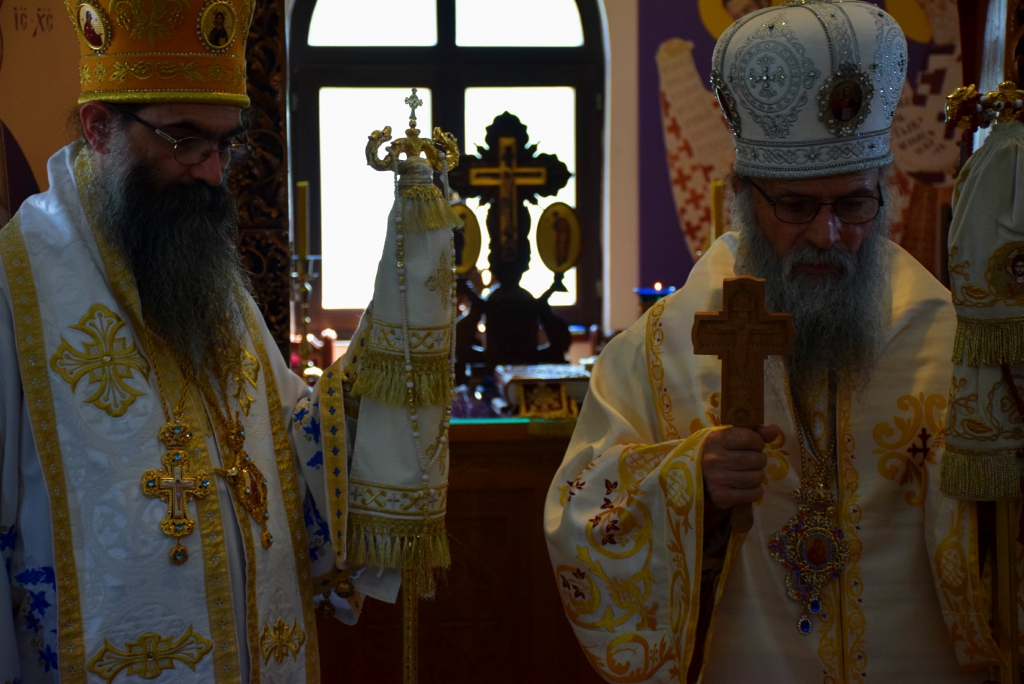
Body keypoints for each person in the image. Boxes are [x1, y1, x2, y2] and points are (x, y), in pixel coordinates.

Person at [545, 2, 1005, 682]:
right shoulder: (665, 350)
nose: (828, 233)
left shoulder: (944, 338)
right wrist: (687, 482)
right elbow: (580, 511)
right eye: (796, 205)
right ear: (743, 195)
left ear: (883, 191)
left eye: (854, 204)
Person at [0, 3, 457, 681]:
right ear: (99, 128)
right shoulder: (18, 288)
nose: (212, 171)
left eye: (224, 145)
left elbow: (297, 448)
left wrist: (394, 338)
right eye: (186, 140)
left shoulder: (208, 284)